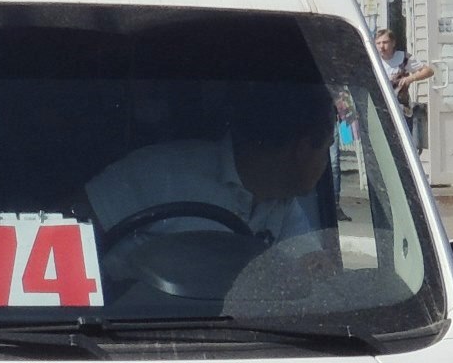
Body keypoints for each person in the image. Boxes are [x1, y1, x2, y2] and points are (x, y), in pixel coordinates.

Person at [83, 82, 337, 259]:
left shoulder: (282, 204)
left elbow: (311, 273)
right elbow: (71, 224)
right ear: (303, 149)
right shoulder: (161, 172)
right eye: (326, 148)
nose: (326, 162)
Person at [375, 29, 432, 151]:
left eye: (385, 42)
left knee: (404, 146)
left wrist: (411, 78)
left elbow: (428, 71)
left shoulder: (403, 58)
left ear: (393, 43)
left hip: (401, 109)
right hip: (380, 108)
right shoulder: (374, 60)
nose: (382, 46)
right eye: (378, 43)